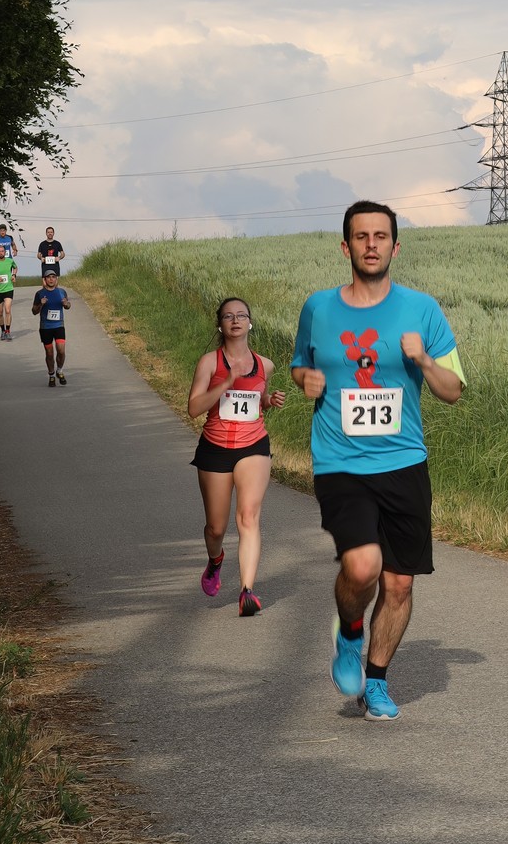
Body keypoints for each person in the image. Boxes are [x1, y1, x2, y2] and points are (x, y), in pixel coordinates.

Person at [289, 200, 465, 720]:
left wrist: (423, 359)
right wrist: (305, 380)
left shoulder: (422, 310)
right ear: (345, 247)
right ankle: (349, 633)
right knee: (363, 566)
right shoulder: (318, 308)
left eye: (380, 236)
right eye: (361, 236)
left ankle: (378, 681)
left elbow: (453, 390)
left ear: (395, 246)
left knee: (399, 583)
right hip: (340, 462)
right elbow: (299, 365)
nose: (371, 245)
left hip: (404, 461)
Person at [186, 298, 286, 616]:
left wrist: (268, 400)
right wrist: (227, 383)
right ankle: (216, 560)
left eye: (241, 315)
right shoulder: (209, 363)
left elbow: (254, 401)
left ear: (250, 322)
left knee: (248, 516)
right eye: (228, 316)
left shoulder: (265, 364)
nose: (235, 320)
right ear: (220, 325)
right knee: (215, 528)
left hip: (253, 446)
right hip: (214, 449)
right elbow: (194, 408)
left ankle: (247, 591)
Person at [31, 275, 70, 385]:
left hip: (59, 326)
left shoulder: (62, 292)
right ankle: (51, 374)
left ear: (56, 279)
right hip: (45, 327)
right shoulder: (39, 294)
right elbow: (34, 311)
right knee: (49, 353)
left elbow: (68, 305)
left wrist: (66, 304)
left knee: (61, 351)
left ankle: (59, 370)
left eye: (53, 277)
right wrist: (41, 304)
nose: (51, 279)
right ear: (45, 280)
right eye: (48, 277)